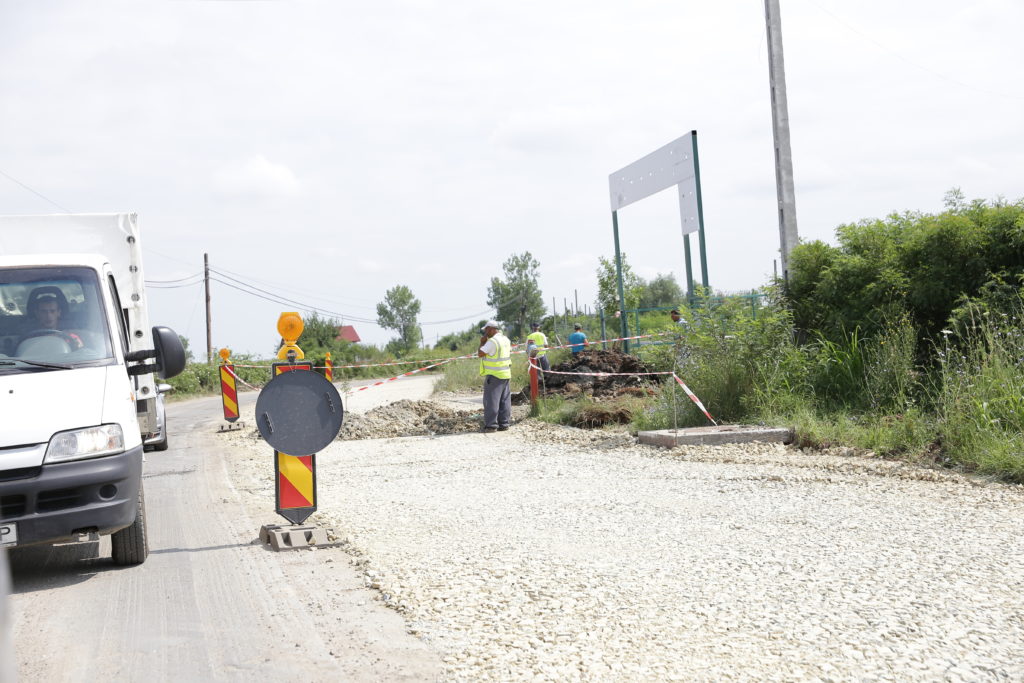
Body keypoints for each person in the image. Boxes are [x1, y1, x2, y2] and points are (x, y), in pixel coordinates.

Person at [478, 320, 511, 432]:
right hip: (505, 373)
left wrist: (482, 342)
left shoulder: (492, 341)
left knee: (491, 400)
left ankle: (491, 426)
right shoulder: (506, 339)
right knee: (504, 401)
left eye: (486, 330)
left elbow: (480, 353)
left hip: (494, 375)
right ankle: (504, 424)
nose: (485, 333)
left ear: (491, 329)